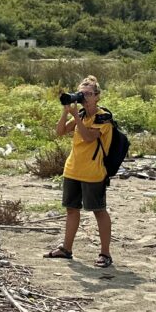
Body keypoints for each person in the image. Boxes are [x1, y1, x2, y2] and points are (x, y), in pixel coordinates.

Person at [45, 75, 115, 267]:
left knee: (99, 210)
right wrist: (66, 112)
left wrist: (76, 117)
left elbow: (88, 138)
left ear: (97, 97)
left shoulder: (103, 117)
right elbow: (60, 132)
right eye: (81, 94)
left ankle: (105, 253)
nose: (84, 97)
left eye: (88, 94)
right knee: (71, 209)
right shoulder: (82, 114)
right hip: (73, 169)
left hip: (93, 172)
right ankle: (66, 249)